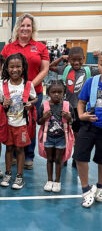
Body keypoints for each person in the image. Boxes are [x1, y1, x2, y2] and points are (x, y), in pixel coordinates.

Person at [1, 13, 49, 170]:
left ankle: (28, 155)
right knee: (13, 121)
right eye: (22, 25)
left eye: (28, 25)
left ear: (32, 28)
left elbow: (45, 69)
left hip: (35, 92)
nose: (25, 28)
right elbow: (4, 70)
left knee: (29, 124)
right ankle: (14, 154)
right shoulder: (8, 47)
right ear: (17, 28)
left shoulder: (40, 47)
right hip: (13, 93)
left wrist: (28, 87)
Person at [50, 47, 100, 167]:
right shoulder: (65, 69)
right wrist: (61, 57)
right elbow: (51, 67)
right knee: (64, 133)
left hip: (81, 110)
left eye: (79, 59)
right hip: (66, 108)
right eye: (73, 60)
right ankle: (64, 157)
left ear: (84, 59)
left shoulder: (89, 71)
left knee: (78, 135)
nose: (76, 62)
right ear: (69, 60)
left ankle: (75, 158)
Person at [0, 53, 37, 189]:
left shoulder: (28, 85)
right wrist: (3, 103)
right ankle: (8, 173)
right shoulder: (3, 86)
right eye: (11, 67)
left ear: (23, 67)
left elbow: (34, 98)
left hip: (22, 124)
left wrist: (31, 104)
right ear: (7, 69)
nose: (15, 69)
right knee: (8, 149)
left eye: (18, 66)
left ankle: (19, 176)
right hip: (8, 124)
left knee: (20, 150)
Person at [73, 55, 102, 208]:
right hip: (88, 126)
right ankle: (86, 190)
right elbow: (81, 102)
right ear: (98, 65)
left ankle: (100, 188)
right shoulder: (92, 82)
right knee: (80, 155)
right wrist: (81, 115)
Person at [38, 80, 74, 193]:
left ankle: (57, 181)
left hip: (62, 138)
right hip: (48, 137)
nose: (57, 94)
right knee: (49, 159)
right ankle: (49, 181)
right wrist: (44, 118)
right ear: (48, 93)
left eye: (59, 92)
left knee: (59, 160)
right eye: (54, 92)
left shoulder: (68, 106)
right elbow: (39, 122)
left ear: (64, 93)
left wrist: (69, 118)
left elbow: (73, 121)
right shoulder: (44, 105)